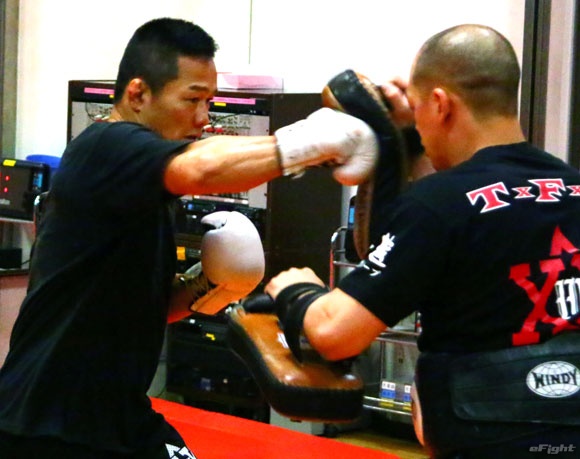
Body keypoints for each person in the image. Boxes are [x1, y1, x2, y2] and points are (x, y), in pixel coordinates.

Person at [0, 17, 378, 459]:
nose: (203, 117)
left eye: (209, 101)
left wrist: (214, 286)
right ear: (138, 94)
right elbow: (200, 167)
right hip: (48, 420)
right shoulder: (106, 146)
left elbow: (153, 307)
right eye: (192, 99)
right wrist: (315, 142)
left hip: (116, 414)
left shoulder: (144, 186)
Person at [265, 24, 580, 458]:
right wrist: (405, 144)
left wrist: (296, 290)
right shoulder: (572, 186)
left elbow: (336, 333)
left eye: (418, 110)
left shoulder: (438, 205)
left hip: (485, 438)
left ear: (440, 104)